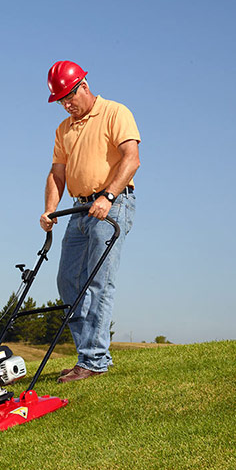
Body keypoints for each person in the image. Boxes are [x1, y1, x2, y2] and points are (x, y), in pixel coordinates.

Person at [39, 60, 141, 383]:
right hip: (78, 210)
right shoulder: (64, 130)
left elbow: (131, 158)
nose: (66, 105)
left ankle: (93, 360)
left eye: (69, 97)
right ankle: (91, 353)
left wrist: (107, 196)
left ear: (83, 85)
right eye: (61, 101)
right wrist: (49, 210)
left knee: (98, 282)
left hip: (111, 205)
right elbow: (57, 174)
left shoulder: (115, 112)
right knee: (67, 281)